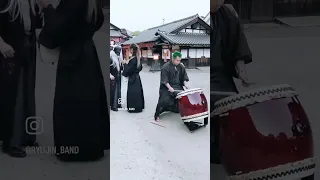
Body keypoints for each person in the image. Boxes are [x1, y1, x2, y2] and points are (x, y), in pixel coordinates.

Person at [38, 0, 109, 161]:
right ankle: (92, 148)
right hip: (88, 53)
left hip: (72, 55)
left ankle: (72, 149)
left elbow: (58, 26)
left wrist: (48, 9)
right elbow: (98, 22)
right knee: (89, 102)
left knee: (71, 102)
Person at [210, 0, 252, 164]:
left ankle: (223, 147)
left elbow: (237, 44)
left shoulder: (227, 13)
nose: (219, 3)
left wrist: (242, 71)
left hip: (220, 74)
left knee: (232, 106)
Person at [0, 0, 39, 158]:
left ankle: (26, 136)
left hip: (26, 49)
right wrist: (1, 44)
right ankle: (12, 141)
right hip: (10, 51)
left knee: (27, 93)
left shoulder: (29, 2)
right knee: (13, 96)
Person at [154, 51, 189, 122]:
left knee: (183, 97)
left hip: (177, 86)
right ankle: (157, 115)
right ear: (173, 59)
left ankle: (175, 109)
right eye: (177, 60)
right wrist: (169, 87)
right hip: (166, 86)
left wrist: (185, 84)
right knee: (163, 100)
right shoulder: (165, 67)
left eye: (179, 60)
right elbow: (164, 80)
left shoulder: (181, 66)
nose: (178, 62)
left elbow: (184, 77)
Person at [122, 43, 144, 113]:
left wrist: (125, 63)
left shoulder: (133, 60)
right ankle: (139, 107)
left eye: (129, 49)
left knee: (132, 93)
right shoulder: (138, 58)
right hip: (137, 78)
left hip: (132, 78)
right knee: (138, 93)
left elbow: (128, 71)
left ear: (132, 49)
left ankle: (133, 108)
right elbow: (140, 68)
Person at [110, 46, 123, 111]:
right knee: (114, 92)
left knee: (118, 91)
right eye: (117, 52)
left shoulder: (118, 57)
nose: (118, 53)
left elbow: (121, 68)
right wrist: (109, 75)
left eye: (119, 52)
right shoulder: (111, 57)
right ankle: (113, 106)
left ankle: (119, 104)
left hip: (118, 76)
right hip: (113, 76)